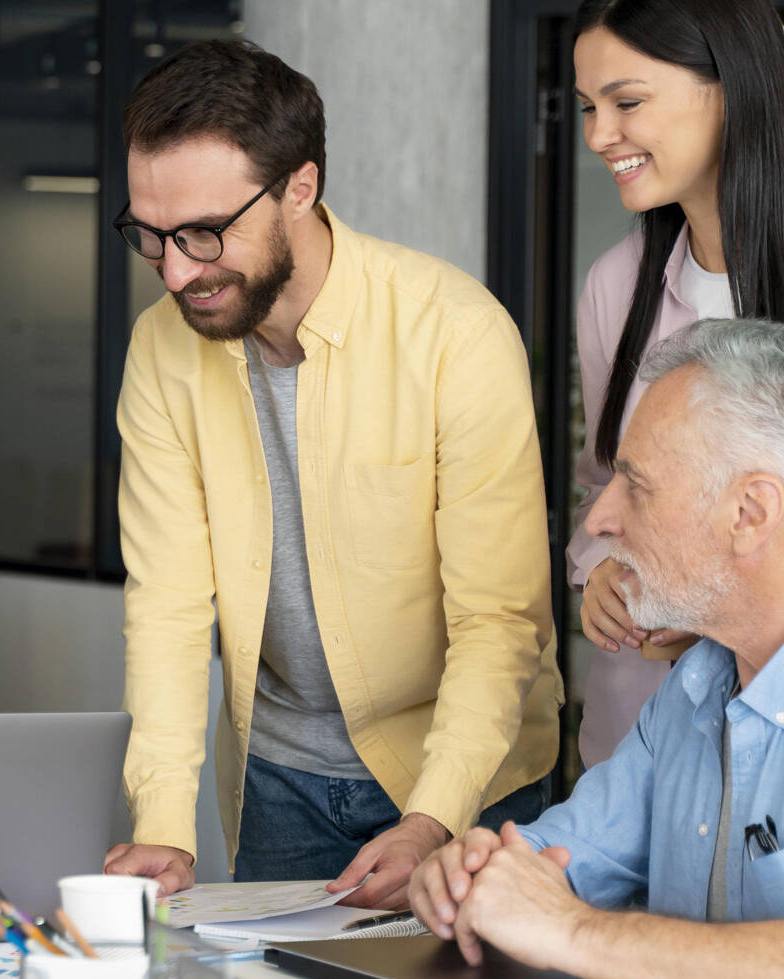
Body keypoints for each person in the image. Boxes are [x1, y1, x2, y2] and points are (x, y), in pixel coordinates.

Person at [101, 39, 562, 908]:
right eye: (149, 235)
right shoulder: (161, 348)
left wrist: (433, 819)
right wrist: (162, 822)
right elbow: (165, 602)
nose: (175, 270)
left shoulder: (455, 335)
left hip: (467, 774)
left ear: (300, 189)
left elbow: (499, 622)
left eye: (204, 232)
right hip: (281, 778)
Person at [409, 318, 784, 979]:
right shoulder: (697, 685)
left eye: (637, 487)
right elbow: (564, 855)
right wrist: (478, 871)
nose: (599, 520)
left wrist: (575, 931)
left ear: (751, 513)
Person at [569, 0, 784, 766]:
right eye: (591, 107)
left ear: (730, 87)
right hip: (641, 759)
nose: (598, 136)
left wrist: (750, 596)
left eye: (627, 102)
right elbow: (605, 493)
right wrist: (604, 579)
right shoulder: (614, 288)